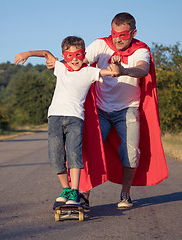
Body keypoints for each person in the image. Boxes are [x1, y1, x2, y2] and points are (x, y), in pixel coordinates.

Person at [46, 13, 168, 210]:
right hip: (100, 109)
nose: (117, 38)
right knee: (87, 150)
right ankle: (83, 194)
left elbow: (143, 69)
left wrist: (123, 70)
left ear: (133, 33)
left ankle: (125, 193)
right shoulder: (101, 45)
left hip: (127, 108)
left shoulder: (141, 50)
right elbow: (77, 59)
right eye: (114, 33)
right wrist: (59, 64)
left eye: (123, 34)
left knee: (130, 153)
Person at [14, 36, 121, 205]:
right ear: (64, 56)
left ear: (83, 54)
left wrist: (116, 62)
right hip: (55, 118)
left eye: (78, 55)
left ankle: (75, 192)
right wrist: (27, 53)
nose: (74, 60)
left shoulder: (89, 72)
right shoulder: (61, 68)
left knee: (73, 154)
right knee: (56, 155)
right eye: (69, 56)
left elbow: (113, 72)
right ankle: (67, 188)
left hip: (75, 119)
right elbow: (45, 53)